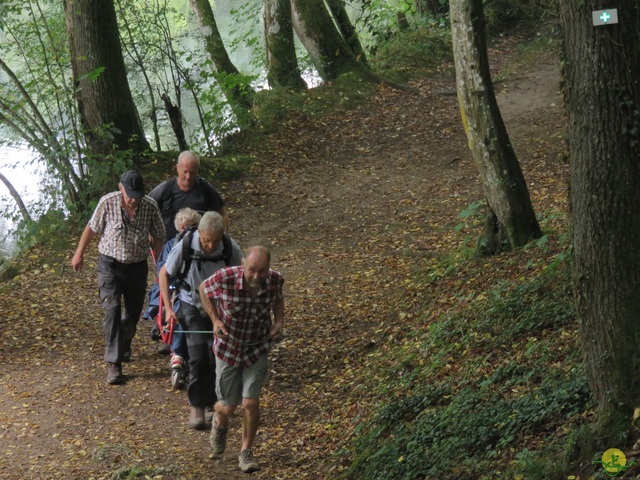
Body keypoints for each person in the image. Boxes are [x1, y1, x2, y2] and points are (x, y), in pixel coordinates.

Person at [72, 171, 165, 385]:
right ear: (120, 187)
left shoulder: (149, 206)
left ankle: (124, 342)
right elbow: (91, 228)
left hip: (136, 266)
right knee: (112, 310)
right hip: (110, 265)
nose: (134, 199)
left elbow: (159, 235)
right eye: (130, 194)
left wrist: (159, 267)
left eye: (137, 194)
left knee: (131, 314)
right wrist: (79, 253)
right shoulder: (108, 202)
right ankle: (113, 364)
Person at [200, 245, 285, 473]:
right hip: (228, 348)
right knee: (228, 407)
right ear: (242, 264)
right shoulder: (225, 277)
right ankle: (219, 421)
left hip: (257, 347)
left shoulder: (275, 280)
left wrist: (278, 321)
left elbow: (278, 299)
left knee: (250, 403)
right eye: (252, 270)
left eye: (262, 271)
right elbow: (203, 289)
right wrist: (215, 320)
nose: (256, 276)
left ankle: (246, 452)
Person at [159, 211, 243, 430]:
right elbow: (164, 274)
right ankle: (196, 406)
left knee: (217, 354)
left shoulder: (229, 247)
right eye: (206, 241)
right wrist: (169, 309)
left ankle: (213, 403)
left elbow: (241, 275)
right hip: (191, 303)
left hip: (218, 307)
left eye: (214, 241)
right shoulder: (186, 245)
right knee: (197, 354)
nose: (210, 246)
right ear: (199, 233)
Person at [142, 207, 202, 389]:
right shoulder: (171, 245)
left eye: (194, 227)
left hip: (196, 289)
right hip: (173, 287)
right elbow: (163, 273)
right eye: (186, 227)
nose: (190, 231)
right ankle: (178, 353)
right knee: (178, 308)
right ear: (180, 228)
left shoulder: (203, 245)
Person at [148, 150, 228, 239]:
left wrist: (223, 237)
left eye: (192, 172)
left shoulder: (205, 189)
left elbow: (222, 214)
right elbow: (146, 209)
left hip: (198, 244)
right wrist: (150, 233)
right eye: (185, 172)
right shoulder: (165, 189)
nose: (188, 177)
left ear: (198, 170)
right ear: (177, 168)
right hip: (168, 245)